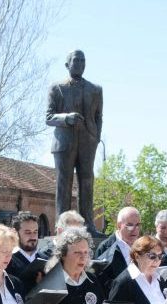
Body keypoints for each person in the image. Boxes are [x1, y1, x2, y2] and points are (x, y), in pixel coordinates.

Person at [46, 49, 103, 234]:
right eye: (76, 60)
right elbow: (48, 117)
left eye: (83, 60)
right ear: (67, 64)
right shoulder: (57, 87)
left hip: (88, 142)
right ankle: (62, 226)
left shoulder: (96, 89)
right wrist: (66, 118)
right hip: (64, 142)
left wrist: (96, 138)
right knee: (64, 184)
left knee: (87, 182)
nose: (80, 64)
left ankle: (89, 225)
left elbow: (98, 116)